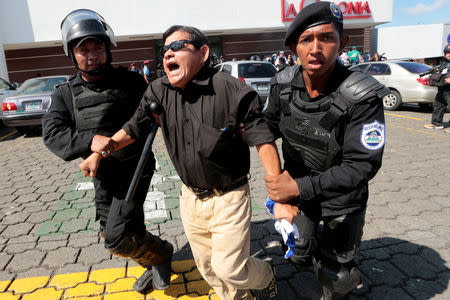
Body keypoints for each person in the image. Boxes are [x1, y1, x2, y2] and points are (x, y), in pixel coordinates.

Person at [78, 25, 282, 300]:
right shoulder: (159, 91)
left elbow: (262, 139)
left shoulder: (229, 89)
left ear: (203, 53)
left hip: (229, 197)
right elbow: (133, 127)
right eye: (165, 50)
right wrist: (100, 152)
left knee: (230, 267)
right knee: (209, 269)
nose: (168, 54)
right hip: (190, 199)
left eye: (177, 46)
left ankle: (266, 276)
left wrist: (279, 192)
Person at [41, 9, 173, 294]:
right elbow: (52, 132)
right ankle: (151, 263)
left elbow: (149, 115)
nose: (93, 55)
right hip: (103, 173)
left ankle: (161, 254)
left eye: (98, 47)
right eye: (84, 49)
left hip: (135, 165)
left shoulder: (131, 81)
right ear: (71, 54)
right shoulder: (64, 93)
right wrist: (91, 142)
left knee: (117, 236)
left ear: (107, 49)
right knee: (113, 230)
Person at [262, 2, 389, 299]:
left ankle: (342, 267)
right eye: (307, 40)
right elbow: (267, 126)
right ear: (295, 46)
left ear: (342, 43)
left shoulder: (362, 95)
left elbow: (362, 166)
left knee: (338, 277)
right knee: (298, 254)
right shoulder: (282, 85)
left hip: (341, 198)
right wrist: (276, 180)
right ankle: (321, 251)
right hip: (298, 189)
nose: (316, 48)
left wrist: (294, 186)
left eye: (326, 38)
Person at [424, 44, 450, 131]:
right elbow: (440, 71)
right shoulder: (444, 62)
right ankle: (437, 123)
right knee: (438, 105)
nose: (449, 54)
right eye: (447, 52)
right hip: (442, 88)